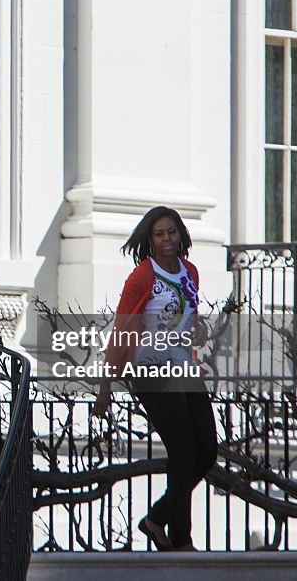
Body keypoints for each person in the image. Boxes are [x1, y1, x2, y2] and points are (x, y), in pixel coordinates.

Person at [91, 206, 217, 551]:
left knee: (206, 450)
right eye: (159, 234)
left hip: (183, 367)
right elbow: (121, 330)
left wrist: (198, 329)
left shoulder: (190, 272)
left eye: (171, 232)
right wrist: (106, 387)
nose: (166, 239)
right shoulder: (142, 276)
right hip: (150, 369)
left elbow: (184, 321)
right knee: (183, 452)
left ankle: (156, 519)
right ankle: (182, 539)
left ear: (181, 235)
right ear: (150, 239)